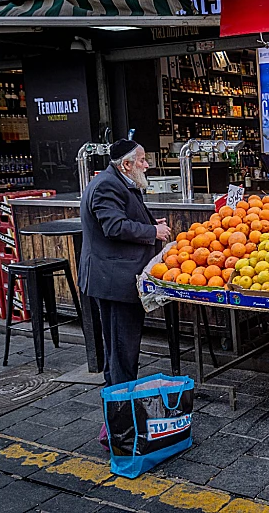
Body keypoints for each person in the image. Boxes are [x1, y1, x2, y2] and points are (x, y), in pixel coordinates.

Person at [78, 139, 170, 444]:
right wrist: (152, 231)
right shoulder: (107, 185)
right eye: (142, 160)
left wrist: (149, 223)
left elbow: (124, 218)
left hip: (115, 278)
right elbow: (114, 227)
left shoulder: (120, 181)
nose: (147, 165)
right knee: (121, 353)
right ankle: (118, 429)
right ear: (126, 164)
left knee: (120, 353)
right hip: (113, 282)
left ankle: (118, 418)